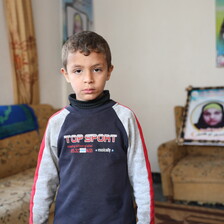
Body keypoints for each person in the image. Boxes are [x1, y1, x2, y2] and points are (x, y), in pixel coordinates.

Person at [29, 31, 154, 224]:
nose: (88, 78)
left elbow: (140, 176)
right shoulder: (57, 122)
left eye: (97, 69)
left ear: (109, 71)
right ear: (66, 74)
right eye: (78, 71)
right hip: (68, 219)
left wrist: (145, 220)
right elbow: (45, 180)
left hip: (117, 219)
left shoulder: (124, 117)